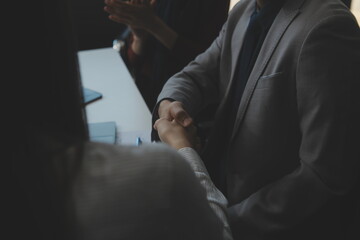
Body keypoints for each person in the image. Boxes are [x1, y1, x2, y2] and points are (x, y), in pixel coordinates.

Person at [11, 0, 233, 239]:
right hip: (159, 110)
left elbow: (206, 64)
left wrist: (152, 28)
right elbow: (133, 55)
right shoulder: (160, 174)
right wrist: (141, 36)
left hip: (176, 113)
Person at [152, 0, 360, 239]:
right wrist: (169, 104)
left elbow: (323, 177)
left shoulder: (328, 26)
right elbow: (197, 74)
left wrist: (223, 221)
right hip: (211, 189)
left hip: (253, 221)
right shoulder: (244, 11)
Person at [103, 0, 230, 111]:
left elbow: (208, 66)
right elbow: (134, 62)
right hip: (146, 97)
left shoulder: (210, 4)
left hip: (184, 106)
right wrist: (139, 37)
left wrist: (153, 25)